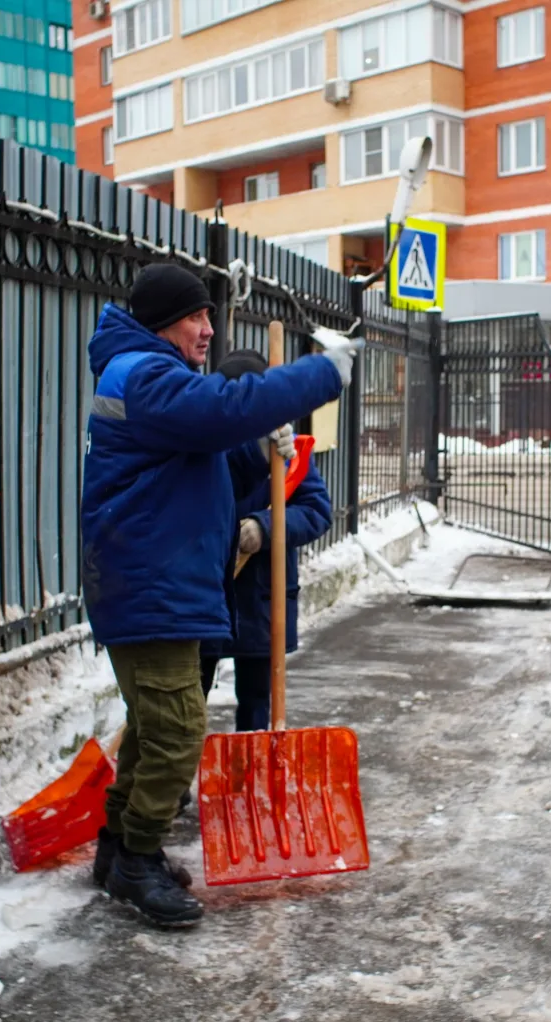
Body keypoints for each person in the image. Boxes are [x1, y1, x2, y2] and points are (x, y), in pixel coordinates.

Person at [82, 263, 355, 929]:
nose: (208, 329)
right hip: (147, 580)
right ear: (159, 324)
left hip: (153, 577)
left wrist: (273, 448)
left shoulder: (141, 372)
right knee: (179, 730)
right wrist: (323, 374)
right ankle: (139, 859)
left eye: (210, 315)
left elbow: (218, 428)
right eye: (194, 317)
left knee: (152, 727)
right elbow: (223, 409)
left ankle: (119, 853)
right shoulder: (143, 375)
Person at [198, 349, 335, 732]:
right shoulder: (204, 445)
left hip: (262, 594)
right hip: (208, 592)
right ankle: (173, 787)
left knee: (257, 702)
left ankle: (250, 781)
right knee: (190, 699)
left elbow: (316, 510)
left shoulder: (288, 449)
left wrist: (264, 528)